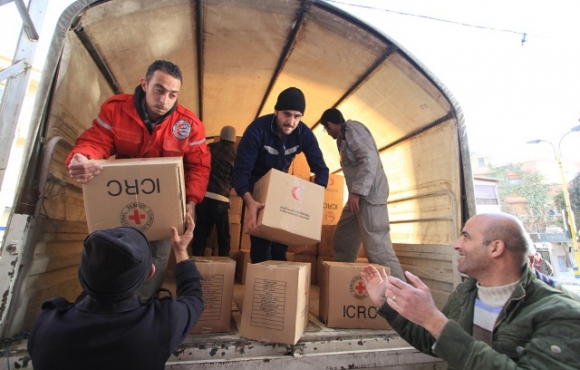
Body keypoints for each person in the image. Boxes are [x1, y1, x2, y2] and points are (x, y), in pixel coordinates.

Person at [65, 60, 211, 298]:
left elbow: (199, 166)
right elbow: (97, 140)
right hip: (122, 195)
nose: (164, 100)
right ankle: (104, 307)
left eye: (173, 95)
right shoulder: (116, 110)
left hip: (164, 203)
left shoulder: (189, 125)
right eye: (159, 89)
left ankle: (141, 312)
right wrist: (82, 157)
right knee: (114, 254)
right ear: (145, 84)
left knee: (158, 257)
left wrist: (191, 201)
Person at [360, 212, 580, 369]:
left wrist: (434, 320)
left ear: (495, 248)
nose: (456, 244)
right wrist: (385, 304)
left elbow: (441, 330)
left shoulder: (562, 313)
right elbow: (433, 342)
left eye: (466, 236)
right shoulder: (467, 293)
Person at [28, 214, 204, 370]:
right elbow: (193, 298)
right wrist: (180, 250)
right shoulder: (162, 323)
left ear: (81, 273)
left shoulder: (46, 324)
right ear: (150, 273)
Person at [233, 87, 329, 263]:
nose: (291, 121)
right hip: (257, 184)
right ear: (276, 111)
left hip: (281, 184)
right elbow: (240, 171)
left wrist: (313, 198)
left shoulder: (304, 133)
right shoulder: (257, 130)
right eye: (286, 114)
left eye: (297, 116)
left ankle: (280, 285)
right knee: (261, 242)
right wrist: (249, 201)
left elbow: (321, 169)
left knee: (280, 243)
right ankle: (261, 285)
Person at [320, 108, 404, 280]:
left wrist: (357, 192)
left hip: (370, 196)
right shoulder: (342, 138)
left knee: (377, 248)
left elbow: (369, 158)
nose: (327, 134)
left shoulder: (353, 129)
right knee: (343, 238)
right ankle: (342, 285)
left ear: (329, 124)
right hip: (357, 197)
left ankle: (401, 297)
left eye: (326, 130)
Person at [191, 125, 237, 257]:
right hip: (221, 200)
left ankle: (197, 262)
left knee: (201, 233)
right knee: (223, 237)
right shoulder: (235, 156)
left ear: (220, 135)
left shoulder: (209, 148)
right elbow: (235, 179)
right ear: (233, 139)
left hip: (203, 196)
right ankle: (224, 265)